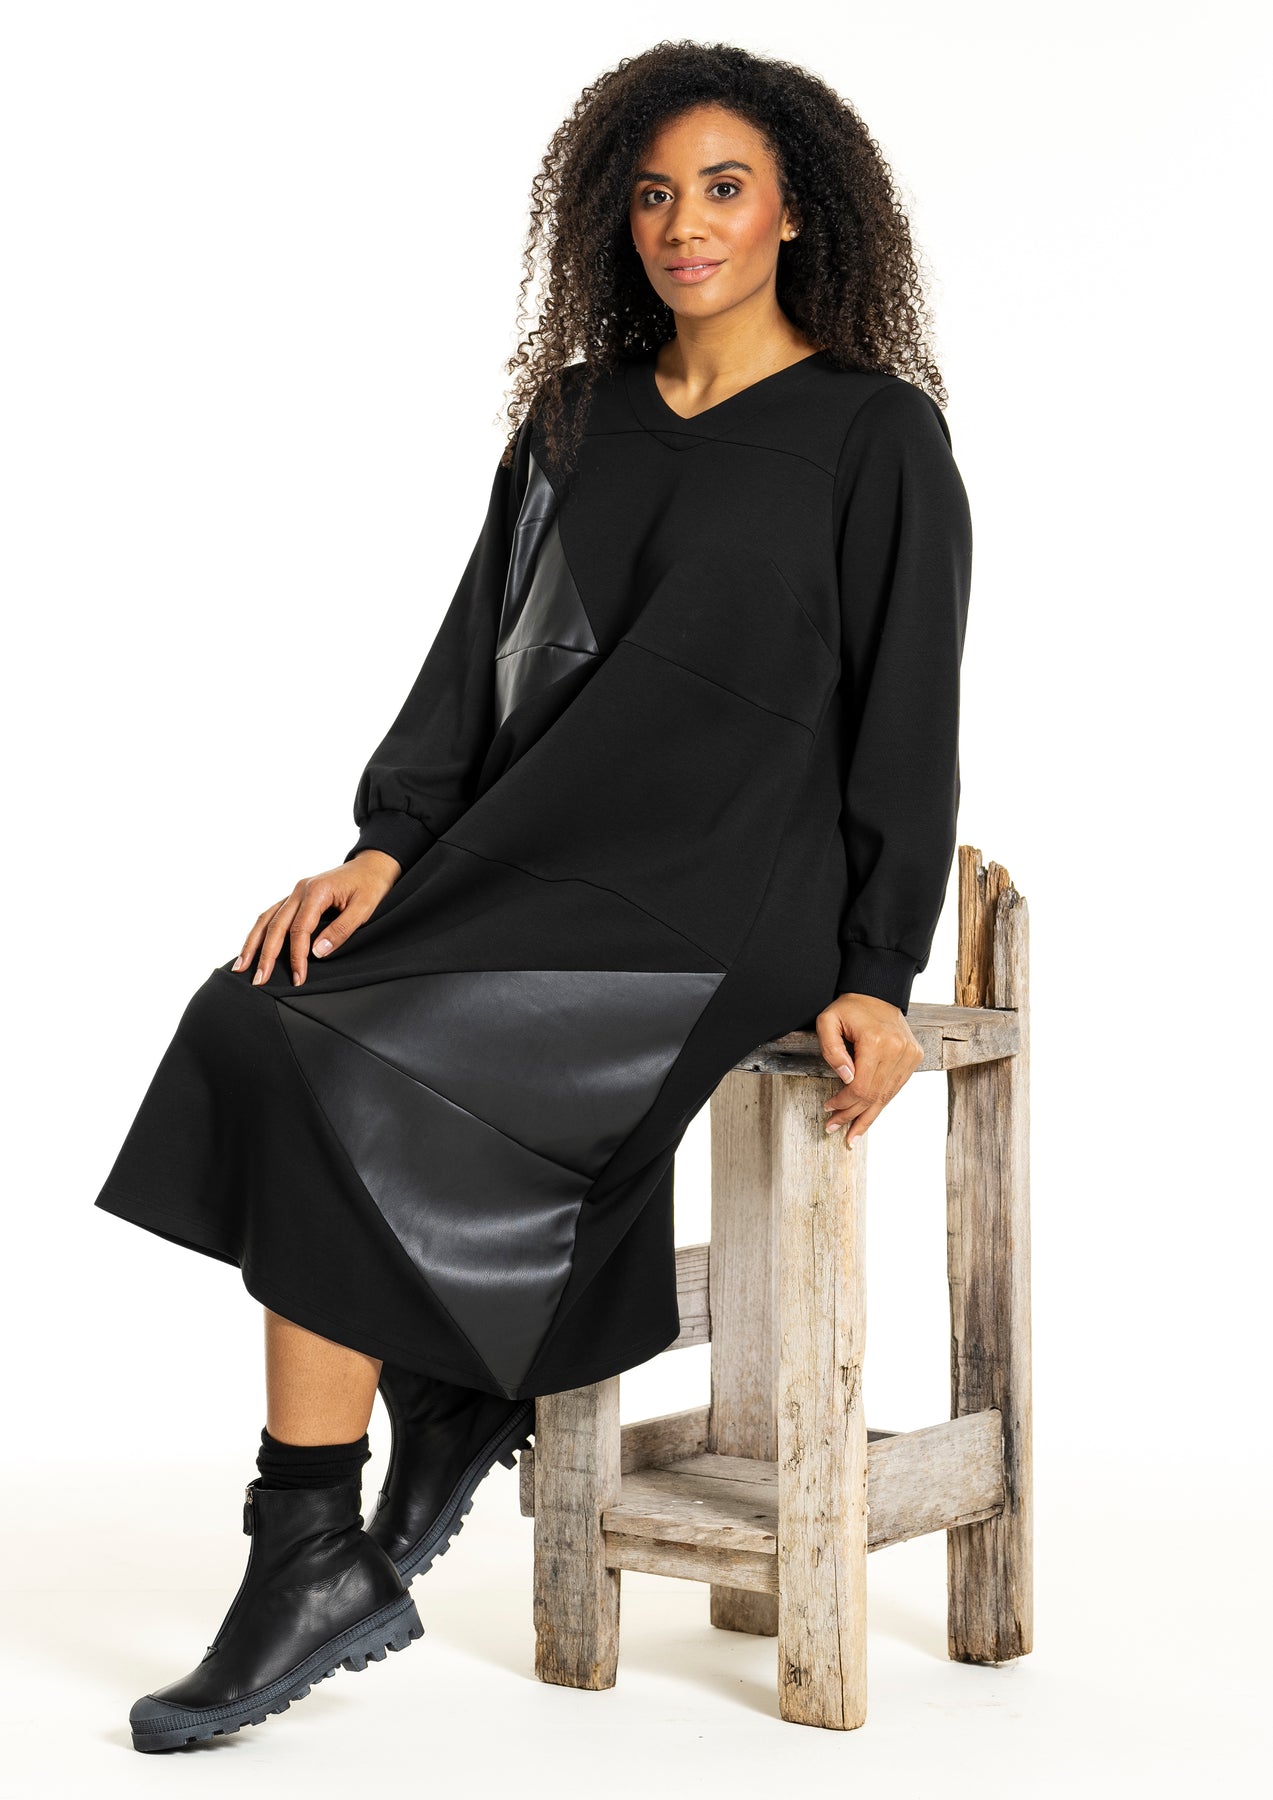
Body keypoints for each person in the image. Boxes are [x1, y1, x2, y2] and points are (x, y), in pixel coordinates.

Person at [95, 39, 973, 1753]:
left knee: (347, 1056)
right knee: (269, 1014)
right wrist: (387, 842)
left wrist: (879, 963)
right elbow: (472, 662)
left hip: (733, 891)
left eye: (722, 188)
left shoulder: (873, 436)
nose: (683, 224)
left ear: (796, 211)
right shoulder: (573, 420)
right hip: (536, 850)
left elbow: (906, 716)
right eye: (650, 195)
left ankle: (344, 1501)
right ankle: (335, 1514)